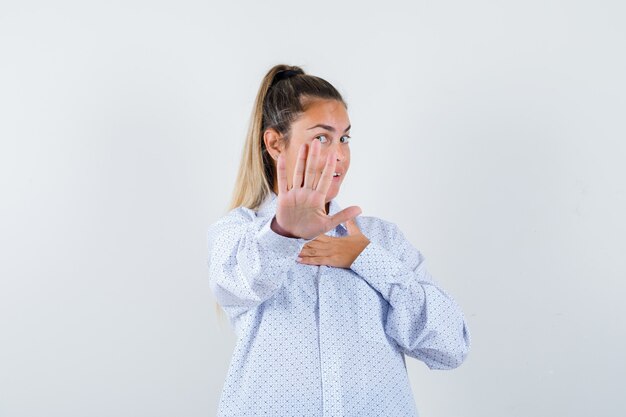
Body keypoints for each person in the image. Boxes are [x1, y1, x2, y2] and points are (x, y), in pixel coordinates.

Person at [207, 64, 471, 417]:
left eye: (344, 138)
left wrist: (366, 258)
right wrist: (283, 233)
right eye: (321, 137)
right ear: (274, 143)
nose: (339, 155)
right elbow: (233, 287)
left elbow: (450, 346)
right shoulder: (240, 232)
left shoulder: (381, 240)